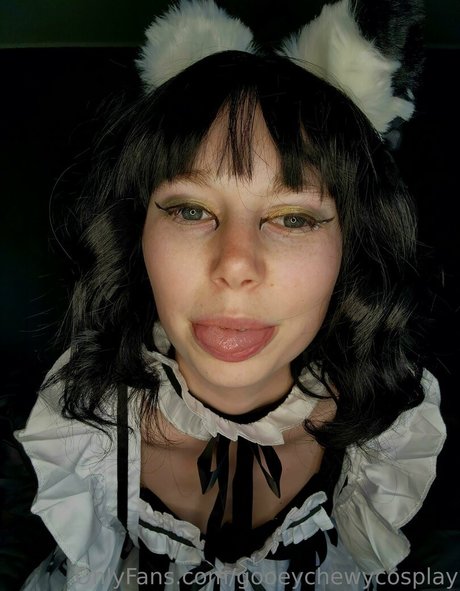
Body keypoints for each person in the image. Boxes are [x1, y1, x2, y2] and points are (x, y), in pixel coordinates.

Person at [15, 1, 447, 589]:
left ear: (351, 247)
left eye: (292, 218)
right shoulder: (80, 435)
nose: (236, 265)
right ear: (136, 232)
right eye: (191, 210)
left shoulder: (389, 445)